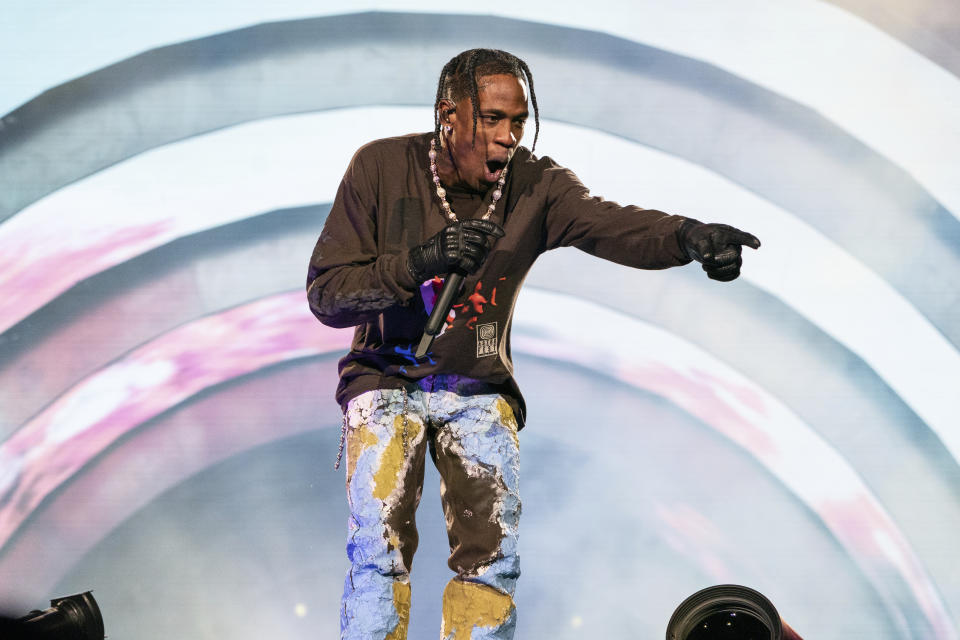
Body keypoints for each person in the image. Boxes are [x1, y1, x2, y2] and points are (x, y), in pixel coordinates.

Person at [306, 48, 760, 640]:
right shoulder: (381, 168)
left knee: (492, 562)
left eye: (517, 121)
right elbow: (328, 295)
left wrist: (688, 236)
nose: (507, 138)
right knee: (379, 547)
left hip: (477, 386)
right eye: (492, 120)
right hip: (385, 378)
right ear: (450, 115)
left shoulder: (535, 184)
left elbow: (611, 224)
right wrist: (422, 261)